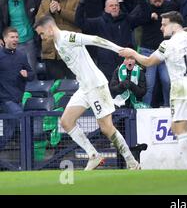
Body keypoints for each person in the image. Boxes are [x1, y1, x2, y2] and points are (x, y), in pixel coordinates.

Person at [33, 15, 140, 170]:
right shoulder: (57, 43)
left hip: (95, 85)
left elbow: (95, 39)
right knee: (66, 122)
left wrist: (119, 50)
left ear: (49, 28)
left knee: (106, 127)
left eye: (42, 33)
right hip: (84, 87)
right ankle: (94, 155)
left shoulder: (67, 37)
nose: (41, 37)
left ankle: (132, 162)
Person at [119, 11, 187, 169]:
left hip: (180, 93)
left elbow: (149, 62)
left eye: (164, 24)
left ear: (174, 25)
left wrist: (133, 53)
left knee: (180, 130)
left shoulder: (167, 45)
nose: (161, 28)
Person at [36, 0, 81, 79]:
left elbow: (80, 20)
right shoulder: (44, 2)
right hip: (51, 52)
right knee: (56, 88)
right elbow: (38, 23)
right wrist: (49, 13)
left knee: (75, 86)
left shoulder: (76, 0)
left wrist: (61, 11)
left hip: (71, 51)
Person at [0, 27, 34, 151]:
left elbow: (32, 75)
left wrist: (27, 75)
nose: (15, 39)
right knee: (22, 118)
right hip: (5, 100)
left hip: (18, 99)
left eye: (16, 37)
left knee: (9, 133)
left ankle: (25, 162)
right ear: (4, 39)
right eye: (12, 37)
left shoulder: (21, 55)